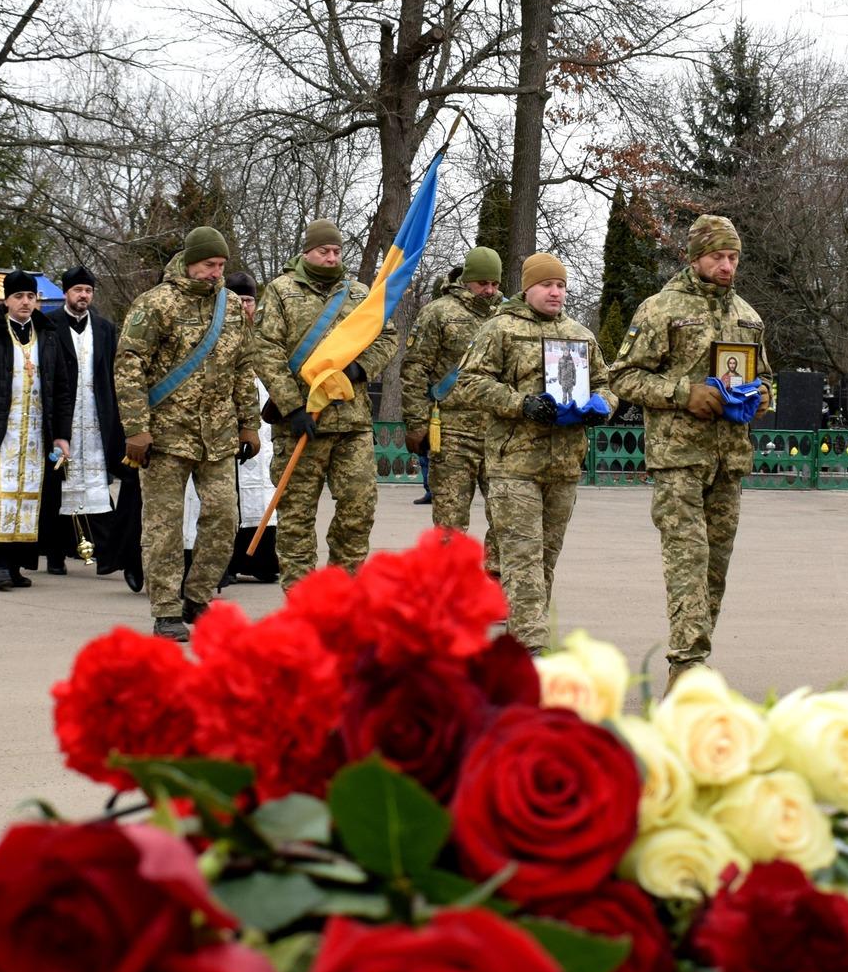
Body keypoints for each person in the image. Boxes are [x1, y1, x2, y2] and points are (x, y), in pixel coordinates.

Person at [608, 215, 776, 688]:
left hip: (729, 458)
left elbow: (766, 377)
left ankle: (696, 659)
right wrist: (685, 393)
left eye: (733, 257)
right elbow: (623, 376)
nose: (726, 266)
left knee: (715, 568)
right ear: (695, 257)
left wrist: (762, 397)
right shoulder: (661, 309)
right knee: (688, 559)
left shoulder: (748, 315)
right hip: (679, 458)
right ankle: (686, 667)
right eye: (718, 257)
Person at [453, 253, 614, 653]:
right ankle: (531, 652)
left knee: (544, 560)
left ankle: (521, 642)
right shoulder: (500, 330)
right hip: (515, 466)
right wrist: (521, 403)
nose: (555, 292)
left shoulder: (580, 335)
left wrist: (602, 406)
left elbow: (607, 383)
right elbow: (469, 382)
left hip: (563, 465)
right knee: (522, 559)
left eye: (560, 285)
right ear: (528, 288)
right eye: (547, 285)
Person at [115, 227, 258, 640]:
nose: (216, 273)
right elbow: (128, 366)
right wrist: (137, 428)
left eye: (222, 266)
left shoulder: (231, 307)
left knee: (224, 517)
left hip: (217, 435)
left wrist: (249, 422)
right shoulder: (156, 304)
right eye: (210, 265)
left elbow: (243, 366)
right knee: (164, 526)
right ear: (190, 261)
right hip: (164, 437)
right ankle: (165, 610)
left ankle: (197, 597)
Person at [253, 220, 394, 587]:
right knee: (297, 518)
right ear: (306, 253)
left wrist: (360, 368)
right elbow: (265, 349)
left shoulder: (360, 293)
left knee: (358, 510)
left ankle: (341, 593)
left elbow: (387, 336)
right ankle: (301, 603)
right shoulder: (281, 291)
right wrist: (291, 407)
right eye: (323, 251)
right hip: (301, 424)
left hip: (352, 424)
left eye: (336, 251)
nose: (331, 258)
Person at [0, 271, 75, 591]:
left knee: (32, 500)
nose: (25, 302)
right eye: (19, 296)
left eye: (30, 297)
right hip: (1, 432)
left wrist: (62, 435)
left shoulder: (48, 335)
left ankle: (19, 562)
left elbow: (62, 388)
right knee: (1, 498)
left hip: (36, 432)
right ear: (6, 300)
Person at [400, 247, 504, 575]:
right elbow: (415, 369)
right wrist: (416, 423)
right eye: (482, 283)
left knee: (506, 515)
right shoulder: (438, 313)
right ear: (466, 281)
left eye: (494, 284)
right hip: (451, 431)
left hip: (499, 431)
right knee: (450, 520)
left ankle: (497, 583)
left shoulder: (507, 315)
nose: (489, 290)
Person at [46, 265, 126, 576]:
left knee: (96, 484)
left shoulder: (105, 329)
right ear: (66, 292)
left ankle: (106, 553)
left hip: (95, 417)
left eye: (88, 290)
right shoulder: (49, 325)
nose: (84, 296)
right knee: (59, 483)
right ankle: (56, 553)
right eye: (78, 290)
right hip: (63, 418)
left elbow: (113, 372)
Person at [222, 272, 279, 586]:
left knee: (263, 488)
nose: (244, 305)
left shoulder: (265, 333)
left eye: (249, 300)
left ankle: (262, 560)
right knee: (230, 494)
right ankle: (227, 562)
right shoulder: (219, 331)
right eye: (238, 299)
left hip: (264, 419)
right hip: (230, 422)